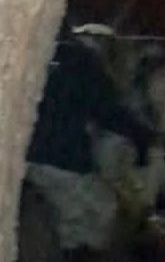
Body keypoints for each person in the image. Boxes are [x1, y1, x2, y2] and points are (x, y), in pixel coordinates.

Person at [24, 27, 161, 261]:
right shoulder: (78, 60)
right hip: (62, 163)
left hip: (26, 159)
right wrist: (146, 141)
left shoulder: (27, 53)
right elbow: (108, 111)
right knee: (101, 218)